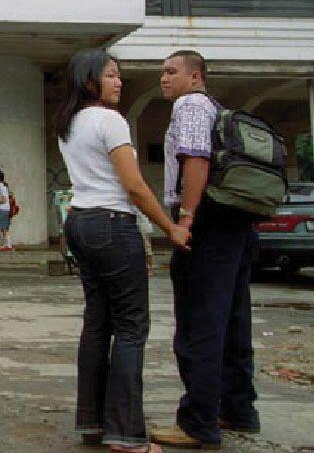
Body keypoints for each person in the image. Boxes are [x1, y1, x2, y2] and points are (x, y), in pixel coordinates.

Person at [56, 48, 190, 453]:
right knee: (131, 329)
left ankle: (92, 422)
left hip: (80, 222)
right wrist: (171, 229)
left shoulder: (69, 122)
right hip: (112, 224)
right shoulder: (110, 121)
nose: (119, 81)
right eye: (111, 75)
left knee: (97, 323)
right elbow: (133, 186)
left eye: (119, 75)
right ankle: (128, 436)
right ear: (90, 80)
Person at [151, 50, 260, 450]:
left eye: (171, 72)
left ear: (195, 77)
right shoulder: (216, 108)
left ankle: (197, 423)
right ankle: (239, 410)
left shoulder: (191, 105)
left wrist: (186, 219)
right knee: (233, 320)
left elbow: (194, 160)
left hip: (208, 228)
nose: (163, 79)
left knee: (200, 325)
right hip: (237, 227)